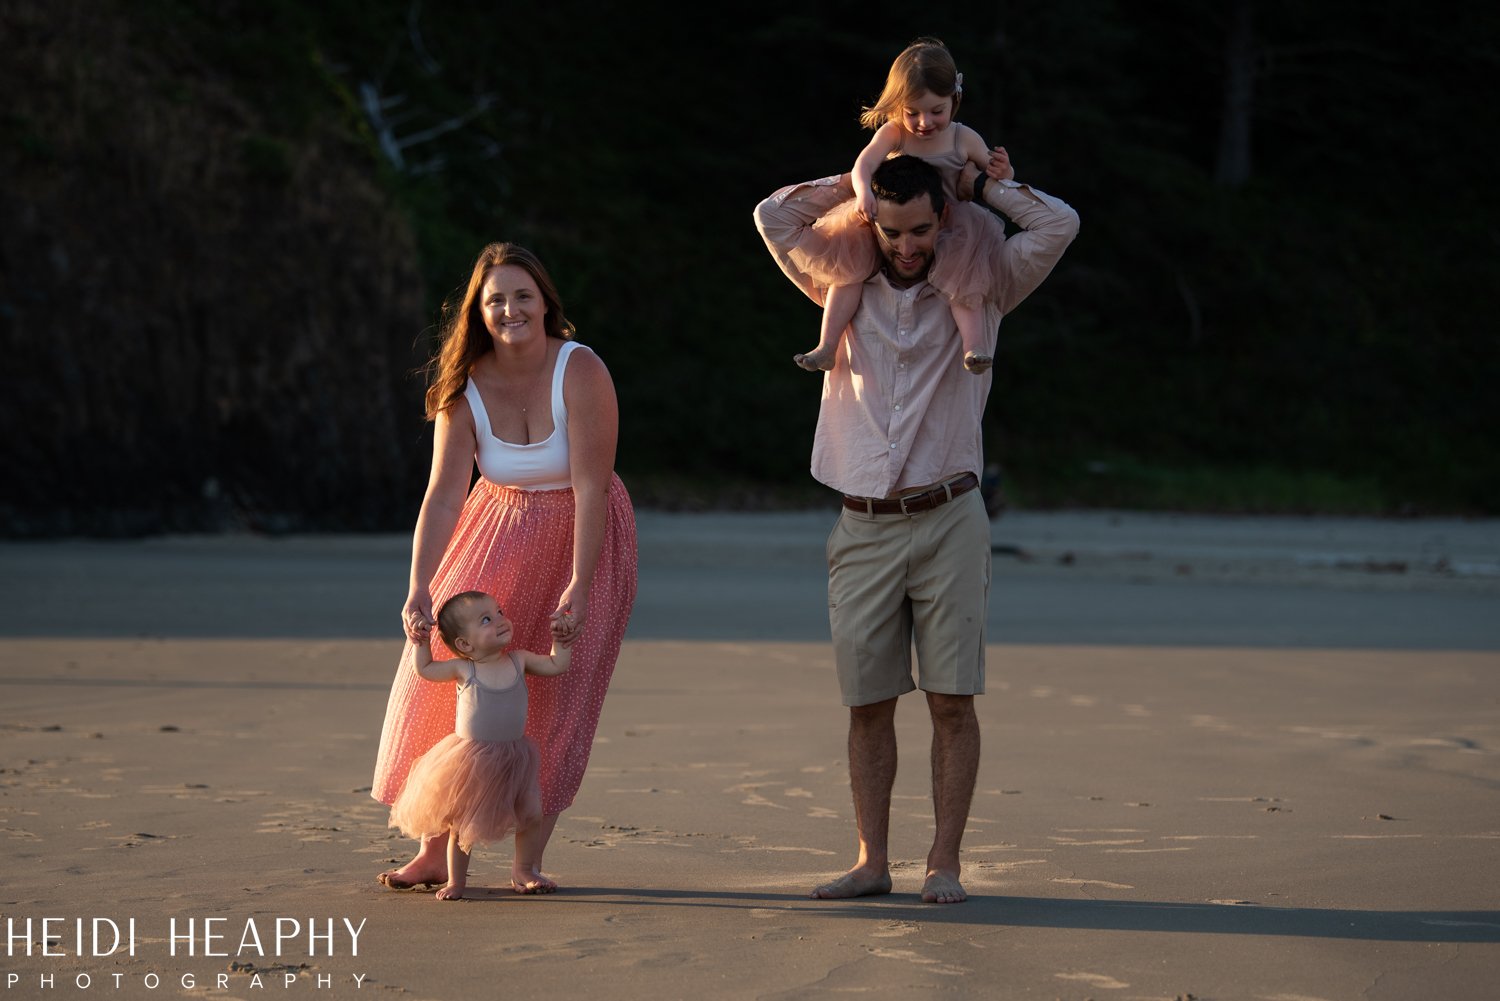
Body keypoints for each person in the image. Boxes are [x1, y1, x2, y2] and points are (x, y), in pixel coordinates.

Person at [754, 150, 1079, 904]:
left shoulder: (986, 279)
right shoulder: (837, 275)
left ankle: (944, 864)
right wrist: (854, 180)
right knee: (866, 703)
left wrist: (977, 183)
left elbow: (1059, 221)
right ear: (873, 219)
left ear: (945, 219)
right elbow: (773, 216)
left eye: (922, 230)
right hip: (861, 524)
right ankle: (872, 861)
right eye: (893, 230)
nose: (907, 245)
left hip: (951, 518)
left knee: (951, 699)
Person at [372, 242, 637, 895]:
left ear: (546, 302)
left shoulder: (580, 369)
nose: (510, 309)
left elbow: (592, 487)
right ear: (478, 312)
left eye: (522, 295)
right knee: (435, 680)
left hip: (584, 533)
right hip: (492, 524)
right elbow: (441, 494)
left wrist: (580, 578)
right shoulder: (463, 386)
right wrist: (418, 585)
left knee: (554, 692)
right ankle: (433, 846)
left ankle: (528, 859)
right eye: (495, 300)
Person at [790, 37, 1009, 377]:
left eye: (937, 111)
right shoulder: (894, 132)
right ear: (897, 108)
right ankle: (827, 345)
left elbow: (996, 179)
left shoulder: (963, 138)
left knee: (963, 278)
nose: (924, 122)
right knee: (847, 272)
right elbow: (863, 165)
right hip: (888, 218)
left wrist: (1003, 171)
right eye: (913, 112)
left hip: (947, 224)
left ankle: (975, 347)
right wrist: (863, 193)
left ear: (954, 100)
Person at [388, 591, 572, 900]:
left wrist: (561, 642)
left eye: (499, 612)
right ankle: (456, 882)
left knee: (532, 813)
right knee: (463, 824)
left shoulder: (519, 660)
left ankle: (525, 868)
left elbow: (556, 665)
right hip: (472, 760)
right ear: (465, 645)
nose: (500, 620)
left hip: (515, 756)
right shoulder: (464, 669)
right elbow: (426, 669)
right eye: (487, 620)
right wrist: (420, 642)